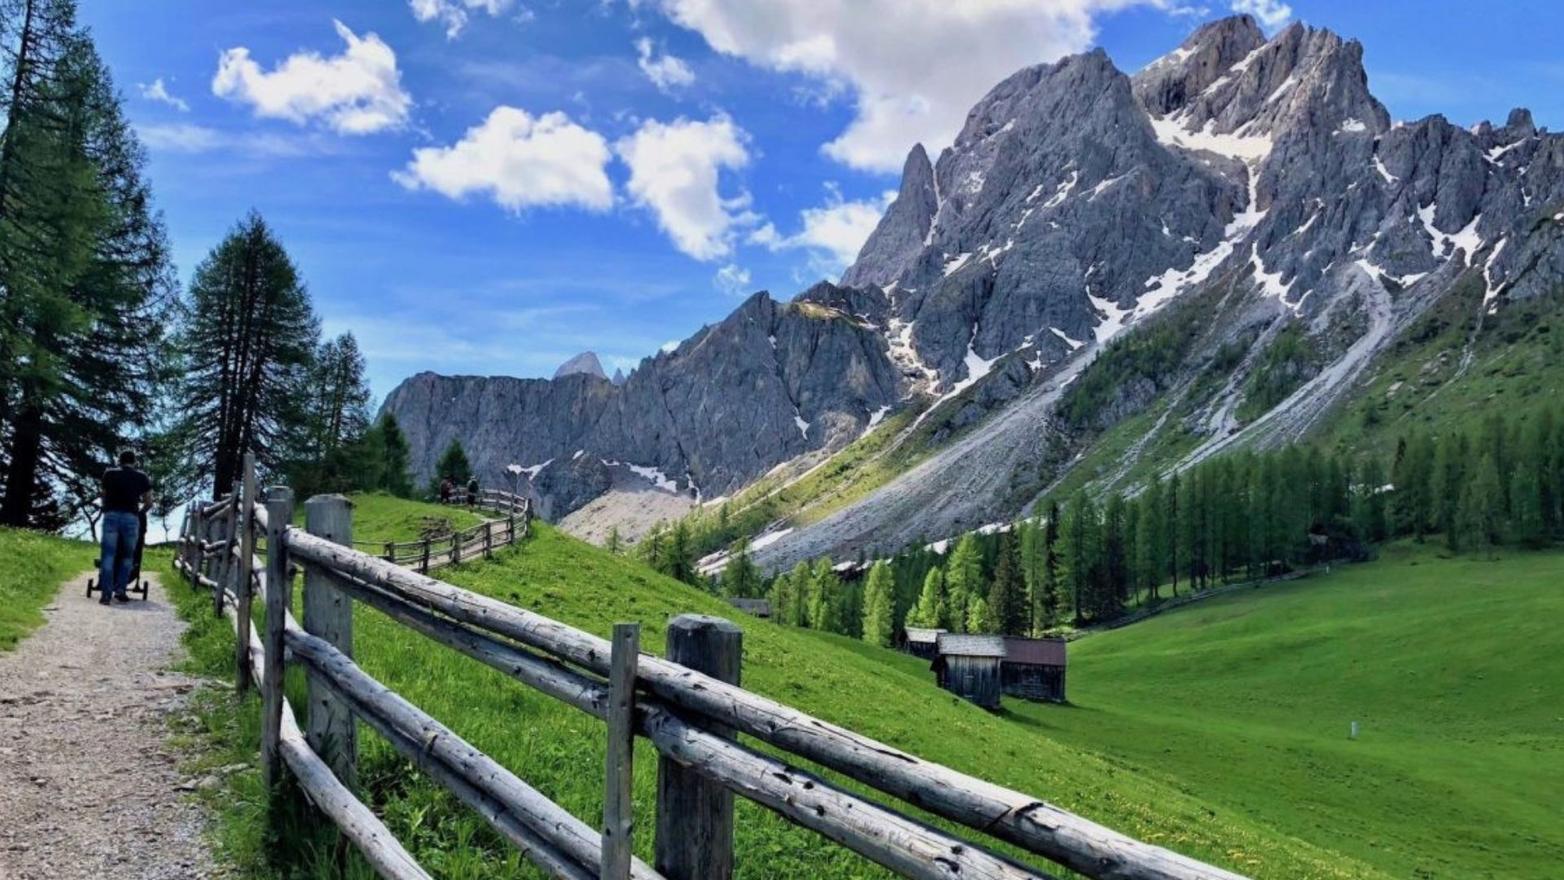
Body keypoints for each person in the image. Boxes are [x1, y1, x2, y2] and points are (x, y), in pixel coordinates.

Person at [99, 450, 153, 605]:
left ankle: (106, 593)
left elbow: (103, 494)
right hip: (131, 517)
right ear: (134, 461)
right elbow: (149, 501)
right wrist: (140, 513)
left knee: (109, 554)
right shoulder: (141, 477)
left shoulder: (109, 474)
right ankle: (121, 590)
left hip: (111, 516)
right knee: (127, 556)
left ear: (119, 460)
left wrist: (106, 507)